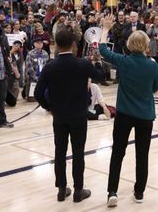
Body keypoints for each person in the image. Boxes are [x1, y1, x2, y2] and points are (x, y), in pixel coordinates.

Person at [35, 27, 104, 203]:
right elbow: (101, 76)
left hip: (59, 116)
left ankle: (61, 189)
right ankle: (78, 190)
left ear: (55, 45)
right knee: (78, 152)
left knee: (60, 152)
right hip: (79, 116)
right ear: (74, 45)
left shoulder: (50, 66)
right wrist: (97, 61)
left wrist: (49, 107)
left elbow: (37, 93)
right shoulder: (82, 63)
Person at [99, 15, 158, 207]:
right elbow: (156, 88)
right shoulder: (153, 65)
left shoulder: (124, 61)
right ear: (146, 45)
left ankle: (112, 193)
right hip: (145, 116)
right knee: (142, 155)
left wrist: (106, 29)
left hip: (124, 115)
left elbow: (102, 50)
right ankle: (139, 192)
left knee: (117, 152)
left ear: (130, 44)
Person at [23, 37, 49, 101]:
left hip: (43, 76)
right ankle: (26, 91)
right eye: (37, 43)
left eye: (41, 43)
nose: (39, 44)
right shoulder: (30, 54)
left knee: (45, 97)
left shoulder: (45, 53)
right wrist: (36, 78)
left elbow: (47, 66)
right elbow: (29, 68)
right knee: (32, 99)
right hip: (32, 77)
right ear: (34, 44)